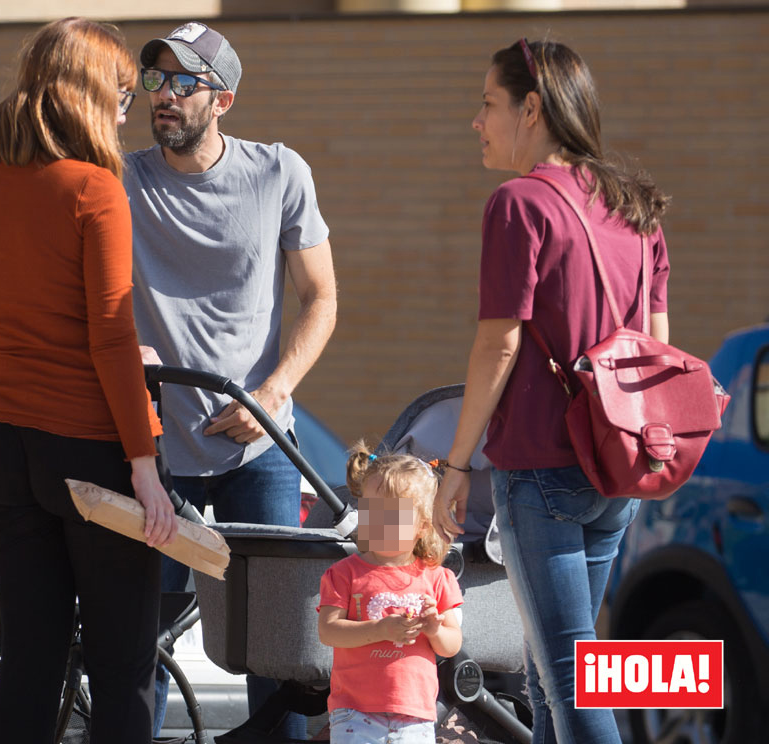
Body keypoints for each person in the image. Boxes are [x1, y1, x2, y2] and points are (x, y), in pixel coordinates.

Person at [0, 18, 179, 744]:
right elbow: (112, 335)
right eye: (122, 93)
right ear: (92, 95)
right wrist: (146, 465)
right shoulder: (94, 190)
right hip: (89, 448)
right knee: (122, 663)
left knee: (30, 657)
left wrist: (13, 338)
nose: (128, 109)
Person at [434, 38, 671, 744]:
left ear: (530, 107)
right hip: (618, 471)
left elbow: (499, 342)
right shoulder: (636, 208)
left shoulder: (519, 204)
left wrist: (454, 465)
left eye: (486, 104)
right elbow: (656, 346)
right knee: (549, 674)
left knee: (568, 676)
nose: (476, 121)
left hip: (542, 466)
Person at [123, 22, 338, 738]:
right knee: (139, 640)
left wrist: (273, 394)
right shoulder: (120, 181)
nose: (166, 96)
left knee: (278, 647)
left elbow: (323, 298)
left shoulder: (280, 172)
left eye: (185, 82)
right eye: (156, 79)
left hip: (260, 442)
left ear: (224, 99)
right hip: (154, 449)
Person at [317, 445, 463, 744]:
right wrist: (380, 629)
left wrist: (434, 629)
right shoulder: (344, 573)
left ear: (422, 527)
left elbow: (452, 645)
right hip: (354, 711)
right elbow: (329, 631)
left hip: (415, 713)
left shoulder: (437, 577)